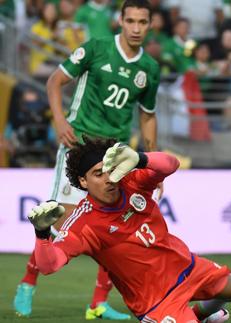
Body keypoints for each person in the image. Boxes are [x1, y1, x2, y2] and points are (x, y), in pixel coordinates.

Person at [13, 0, 160, 320]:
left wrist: (151, 164)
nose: (136, 28)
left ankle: (98, 302)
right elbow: (55, 80)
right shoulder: (95, 49)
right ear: (119, 21)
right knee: (59, 221)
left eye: (142, 22)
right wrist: (59, 121)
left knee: (118, 228)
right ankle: (28, 281)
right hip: (79, 146)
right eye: (130, 20)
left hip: (115, 155)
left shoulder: (149, 68)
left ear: (150, 25)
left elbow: (147, 116)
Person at [26, 137, 231, 322]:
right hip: (156, 300)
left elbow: (171, 164)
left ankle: (200, 317)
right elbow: (49, 265)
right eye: (98, 174)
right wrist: (42, 234)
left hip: (187, 267)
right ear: (83, 181)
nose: (108, 179)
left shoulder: (132, 183)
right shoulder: (84, 223)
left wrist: (140, 158)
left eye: (111, 170)